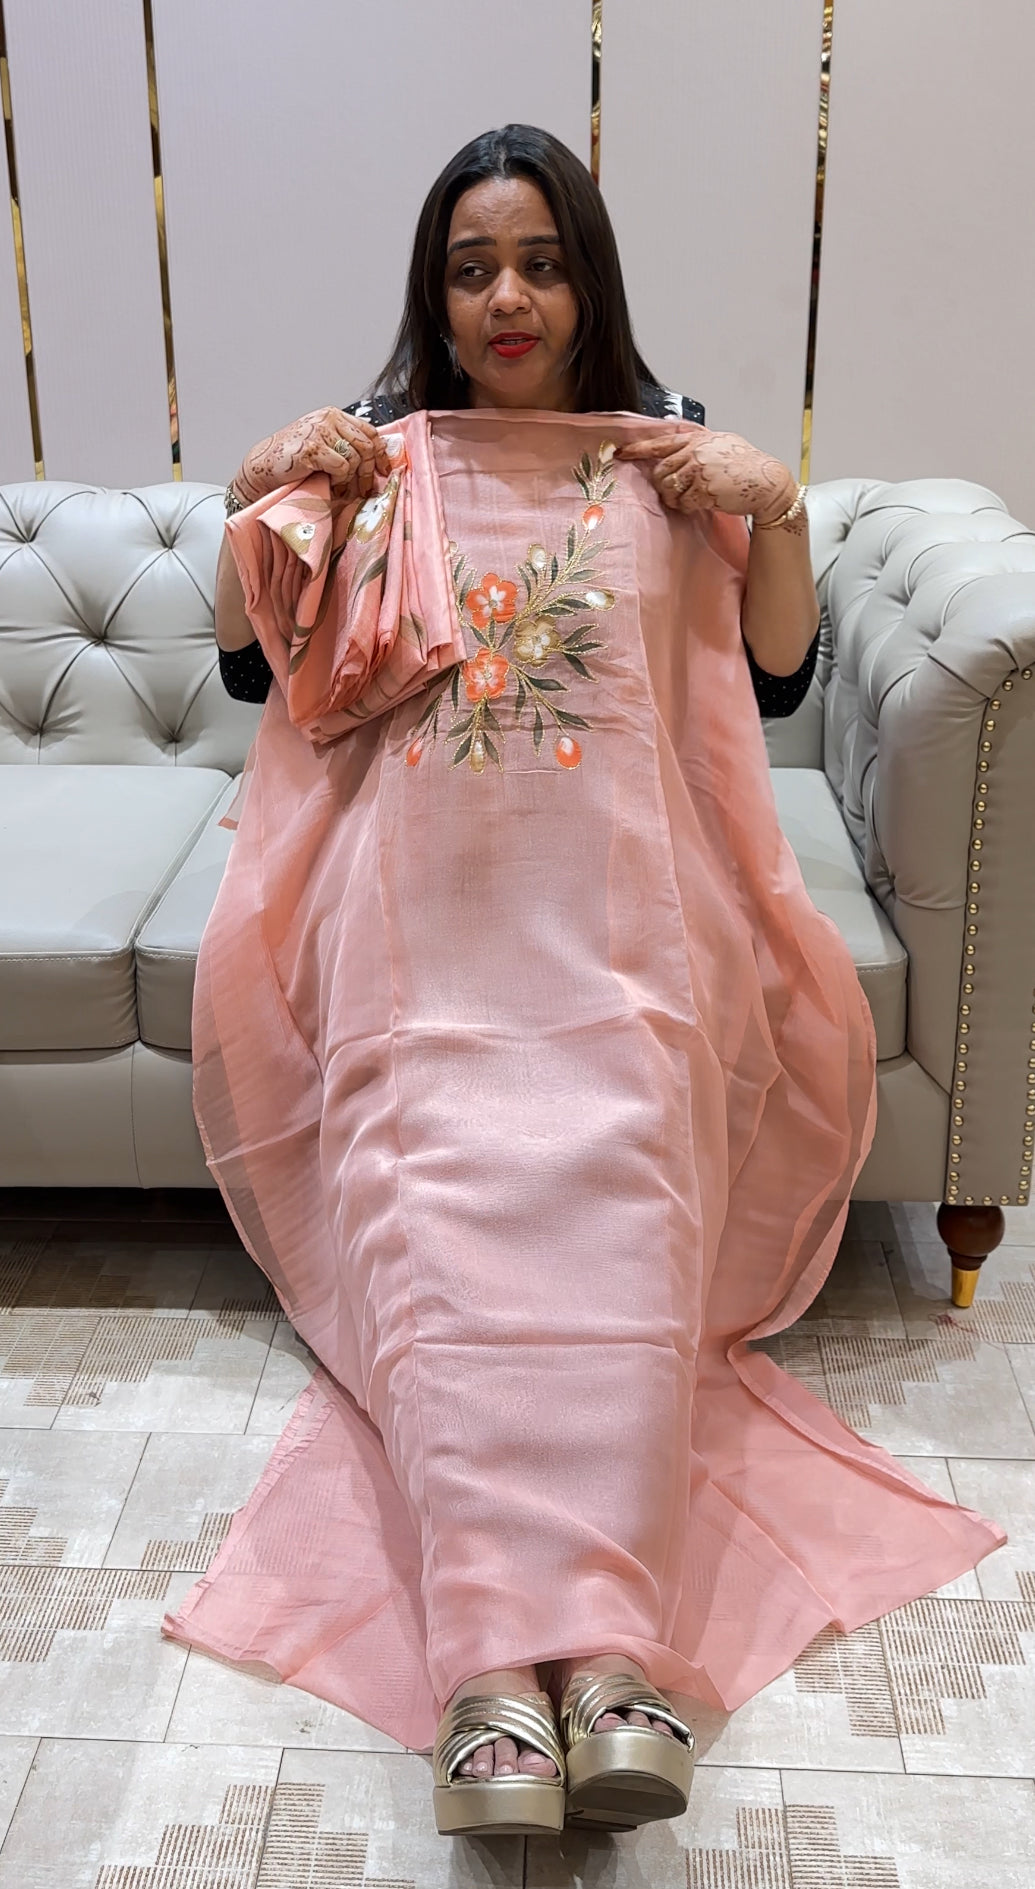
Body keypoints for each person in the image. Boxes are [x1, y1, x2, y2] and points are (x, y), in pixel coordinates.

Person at [172, 124, 1001, 1843]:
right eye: (474, 268)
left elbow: (776, 671)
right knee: (444, 1238)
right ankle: (490, 1668)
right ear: (435, 295)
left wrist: (773, 503)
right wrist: (259, 486)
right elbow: (254, 661)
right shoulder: (378, 454)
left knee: (621, 1227)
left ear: (588, 279)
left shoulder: (663, 449)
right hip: (414, 955)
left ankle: (616, 1658)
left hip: (621, 952)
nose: (510, 298)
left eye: (541, 263)